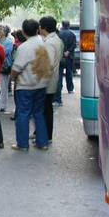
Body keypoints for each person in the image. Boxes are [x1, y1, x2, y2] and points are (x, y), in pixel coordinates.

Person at [10, 19, 51, 151]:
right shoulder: (44, 43)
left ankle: (22, 144)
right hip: (41, 84)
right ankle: (42, 142)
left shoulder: (24, 47)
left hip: (26, 86)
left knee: (23, 114)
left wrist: (13, 77)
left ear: (23, 31)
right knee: (39, 113)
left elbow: (16, 68)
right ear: (37, 29)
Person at [39, 16, 64, 144]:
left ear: (43, 28)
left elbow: (47, 64)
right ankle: (44, 134)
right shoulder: (56, 39)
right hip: (53, 79)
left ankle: (46, 136)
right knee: (47, 108)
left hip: (46, 80)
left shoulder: (49, 43)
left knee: (45, 109)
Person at [56, 20, 77, 103]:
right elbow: (74, 44)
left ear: (62, 25)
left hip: (60, 57)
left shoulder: (58, 34)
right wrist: (68, 51)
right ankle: (70, 89)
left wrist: (62, 52)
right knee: (69, 73)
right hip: (69, 56)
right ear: (69, 25)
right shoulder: (72, 34)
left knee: (59, 74)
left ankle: (59, 88)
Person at [0, 25, 14, 112]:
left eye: (1, 29)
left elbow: (6, 52)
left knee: (4, 87)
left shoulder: (9, 42)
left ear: (6, 31)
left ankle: (3, 105)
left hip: (5, 66)